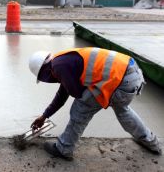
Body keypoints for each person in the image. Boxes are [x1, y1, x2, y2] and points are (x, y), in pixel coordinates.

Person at [28, 47, 162, 161]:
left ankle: (64, 148)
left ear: (44, 72)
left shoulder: (58, 66)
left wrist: (46, 115)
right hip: (132, 75)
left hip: (120, 81)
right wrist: (44, 116)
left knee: (80, 108)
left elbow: (75, 92)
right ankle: (151, 142)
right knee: (123, 110)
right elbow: (63, 93)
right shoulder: (63, 59)